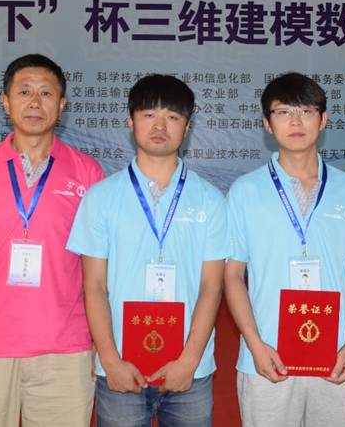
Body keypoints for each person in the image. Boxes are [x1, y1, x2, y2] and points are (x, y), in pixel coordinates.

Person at [0, 54, 105, 427]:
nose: (35, 102)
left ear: (62, 104)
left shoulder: (87, 173)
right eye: (24, 92)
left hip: (65, 348)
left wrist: (100, 342)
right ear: (6, 102)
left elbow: (98, 271)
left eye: (46, 93)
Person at [67, 74, 227, 427]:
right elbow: (94, 286)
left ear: (187, 127)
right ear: (130, 121)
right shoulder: (101, 197)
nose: (160, 125)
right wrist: (110, 361)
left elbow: (211, 287)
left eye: (172, 117)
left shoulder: (211, 200)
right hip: (120, 368)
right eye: (149, 114)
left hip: (190, 372)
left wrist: (189, 361)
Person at [224, 72, 345, 427]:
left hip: (335, 357)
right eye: (283, 112)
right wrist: (254, 344)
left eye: (306, 111)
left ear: (323, 120)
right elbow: (232, 275)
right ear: (267, 123)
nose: (295, 121)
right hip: (268, 357)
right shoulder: (245, 191)